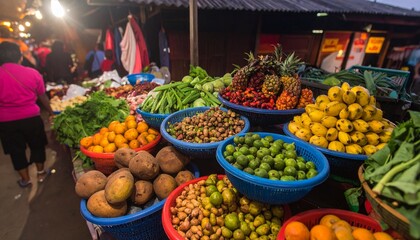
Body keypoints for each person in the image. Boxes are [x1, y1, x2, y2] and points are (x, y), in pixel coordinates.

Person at [0, 41, 54, 188]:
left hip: (6, 121)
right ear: (20, 57)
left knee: (15, 151)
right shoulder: (32, 73)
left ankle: (26, 180)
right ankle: (41, 173)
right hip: (31, 118)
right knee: (37, 145)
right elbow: (42, 96)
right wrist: (51, 112)